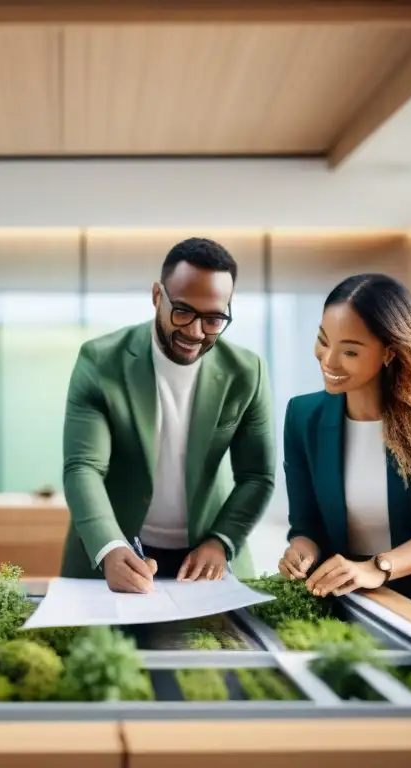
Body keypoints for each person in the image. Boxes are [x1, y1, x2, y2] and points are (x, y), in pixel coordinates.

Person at [61, 237, 276, 593]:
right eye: (183, 312)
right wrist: (110, 545)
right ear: (158, 296)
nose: (194, 332)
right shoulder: (100, 362)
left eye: (213, 319)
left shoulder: (246, 372)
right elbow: (83, 466)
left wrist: (222, 541)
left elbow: (257, 475)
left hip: (208, 561)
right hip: (117, 552)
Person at [278, 273, 411, 625]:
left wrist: (378, 567)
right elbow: (306, 522)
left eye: (350, 351)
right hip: (343, 590)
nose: (328, 361)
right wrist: (301, 550)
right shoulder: (302, 415)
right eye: (323, 341)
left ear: (389, 352)